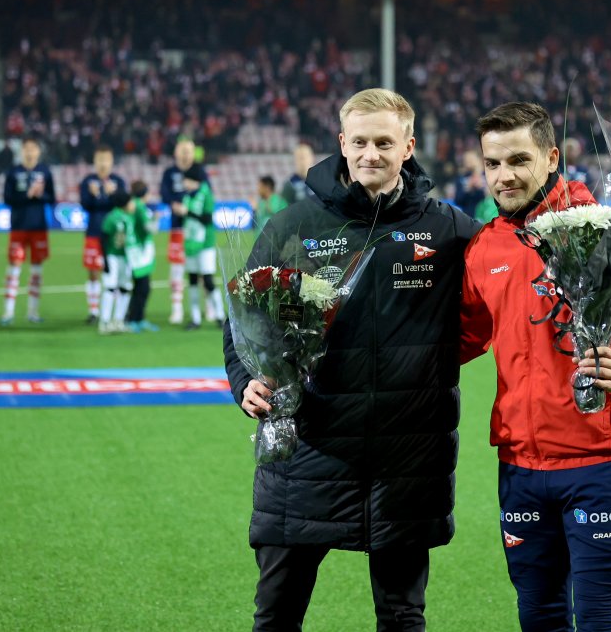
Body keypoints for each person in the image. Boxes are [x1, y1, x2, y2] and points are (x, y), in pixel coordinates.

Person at [222, 88, 479, 631]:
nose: (371, 154)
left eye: (384, 142)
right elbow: (242, 314)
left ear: (408, 147)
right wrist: (244, 380)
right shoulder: (293, 227)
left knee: (403, 617)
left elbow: (505, 285)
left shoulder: (449, 229)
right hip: (307, 453)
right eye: (359, 141)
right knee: (276, 616)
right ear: (342, 143)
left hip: (406, 460)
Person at [459, 102, 611, 632]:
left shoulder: (606, 230)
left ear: (551, 156)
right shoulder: (486, 247)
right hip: (520, 466)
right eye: (492, 164)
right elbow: (460, 339)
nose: (504, 175)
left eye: (518, 159)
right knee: (538, 617)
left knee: (600, 621)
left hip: (600, 462)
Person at [1, 138, 57, 325]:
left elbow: (52, 198)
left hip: (39, 227)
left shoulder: (45, 171)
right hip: (18, 227)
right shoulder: (13, 172)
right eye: (27, 148)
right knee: (14, 269)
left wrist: (41, 195)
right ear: (21, 151)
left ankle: (33, 311)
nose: (30, 152)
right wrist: (27, 195)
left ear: (39, 152)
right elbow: (7, 199)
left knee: (36, 272)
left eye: (33, 148)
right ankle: (8, 313)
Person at [80, 145, 127, 324]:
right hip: (93, 232)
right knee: (93, 271)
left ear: (111, 161)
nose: (103, 163)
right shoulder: (88, 181)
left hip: (115, 235)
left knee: (114, 271)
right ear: (94, 161)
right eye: (100, 160)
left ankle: (113, 312)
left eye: (106, 160)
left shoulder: (118, 181)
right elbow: (85, 205)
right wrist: (93, 196)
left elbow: (122, 204)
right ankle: (93, 311)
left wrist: (111, 194)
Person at [175, 164, 225, 330]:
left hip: (205, 244)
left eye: (187, 179)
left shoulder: (206, 194)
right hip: (190, 243)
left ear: (195, 180)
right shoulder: (187, 196)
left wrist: (187, 212)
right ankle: (195, 318)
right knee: (193, 280)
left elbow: (206, 219)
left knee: (208, 280)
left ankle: (220, 315)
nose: (184, 182)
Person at [160, 138, 197, 324]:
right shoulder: (169, 172)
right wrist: (172, 203)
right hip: (177, 227)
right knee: (176, 269)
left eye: (189, 150)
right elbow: (164, 193)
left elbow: (207, 193)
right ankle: (177, 309)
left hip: (196, 229)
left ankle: (203, 309)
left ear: (193, 153)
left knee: (199, 269)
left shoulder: (199, 172)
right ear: (176, 152)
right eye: (182, 150)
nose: (185, 154)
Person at [98, 189, 136, 335]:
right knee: (110, 287)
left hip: (125, 258)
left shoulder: (128, 218)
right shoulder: (112, 217)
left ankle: (118, 321)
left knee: (125, 288)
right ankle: (105, 321)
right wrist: (106, 260)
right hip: (113, 256)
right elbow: (103, 238)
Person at [126, 180, 159, 333]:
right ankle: (134, 319)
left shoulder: (134, 205)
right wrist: (156, 219)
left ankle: (137, 318)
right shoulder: (140, 207)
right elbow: (149, 228)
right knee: (142, 287)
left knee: (141, 287)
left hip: (137, 252)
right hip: (138, 254)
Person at [279, 141, 314, 205]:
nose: (302, 161)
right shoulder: (290, 184)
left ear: (311, 158)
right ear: (295, 160)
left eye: (304, 157)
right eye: (299, 158)